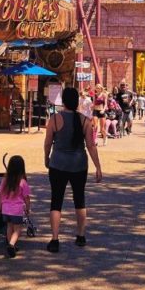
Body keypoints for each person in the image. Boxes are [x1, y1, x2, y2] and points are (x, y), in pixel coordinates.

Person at [44, 87, 103, 252]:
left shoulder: (55, 119)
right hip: (78, 164)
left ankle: (55, 239)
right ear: (77, 101)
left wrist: (46, 157)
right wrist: (98, 166)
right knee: (80, 199)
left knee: (56, 201)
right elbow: (91, 146)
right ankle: (81, 235)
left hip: (58, 164)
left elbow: (48, 142)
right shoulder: (85, 120)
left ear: (63, 101)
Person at [0, 154, 31, 258]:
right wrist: (28, 208)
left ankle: (10, 244)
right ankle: (12, 244)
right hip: (16, 210)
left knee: (9, 227)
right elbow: (26, 197)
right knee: (17, 230)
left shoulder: (5, 180)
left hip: (5, 209)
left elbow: (0, 195)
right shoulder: (22, 182)